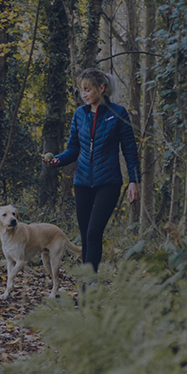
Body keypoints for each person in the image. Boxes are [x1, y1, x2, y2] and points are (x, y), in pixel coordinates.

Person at [43, 68, 141, 273]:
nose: (84, 94)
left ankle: (89, 288)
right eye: (82, 90)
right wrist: (57, 160)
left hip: (109, 183)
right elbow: (73, 149)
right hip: (82, 183)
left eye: (88, 89)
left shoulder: (118, 113)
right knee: (86, 234)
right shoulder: (80, 114)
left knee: (95, 232)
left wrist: (134, 180)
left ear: (102, 88)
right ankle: (88, 287)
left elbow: (129, 149)